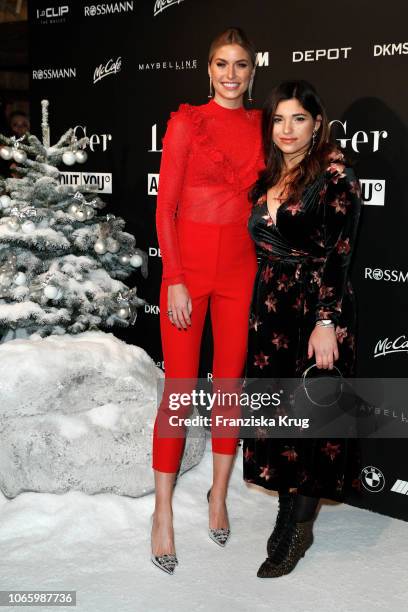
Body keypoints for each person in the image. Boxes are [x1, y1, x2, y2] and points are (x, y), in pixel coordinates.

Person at [151, 27, 263, 574]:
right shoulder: (186, 123)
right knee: (178, 390)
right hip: (188, 273)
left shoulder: (264, 126)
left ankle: (218, 494)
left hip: (241, 272)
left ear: (252, 70)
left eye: (240, 64)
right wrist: (174, 277)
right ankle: (163, 511)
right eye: (222, 63)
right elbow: (164, 207)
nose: (231, 74)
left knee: (229, 385)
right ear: (209, 68)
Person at [242, 80, 362, 578]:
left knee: (312, 420)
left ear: (317, 123)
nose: (287, 129)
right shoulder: (271, 173)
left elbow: (338, 255)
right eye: (278, 119)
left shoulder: (335, 178)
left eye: (298, 119)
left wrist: (326, 321)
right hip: (270, 310)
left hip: (314, 309)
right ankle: (286, 507)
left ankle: (299, 527)